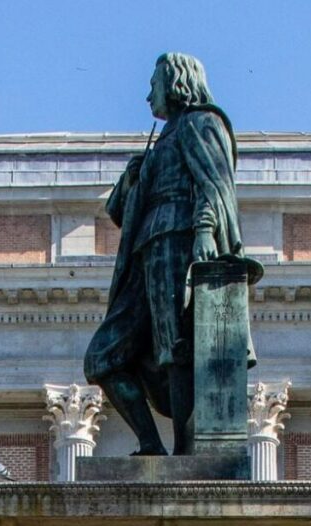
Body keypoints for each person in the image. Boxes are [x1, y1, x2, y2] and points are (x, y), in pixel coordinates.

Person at [81, 52, 246, 457]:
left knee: (180, 347)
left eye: (152, 84)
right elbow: (119, 212)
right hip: (145, 253)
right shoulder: (160, 143)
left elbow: (215, 185)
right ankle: (151, 445)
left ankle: (187, 453)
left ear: (174, 83)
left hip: (179, 240)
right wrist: (133, 178)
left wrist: (205, 232)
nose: (146, 95)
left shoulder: (202, 123)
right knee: (102, 357)